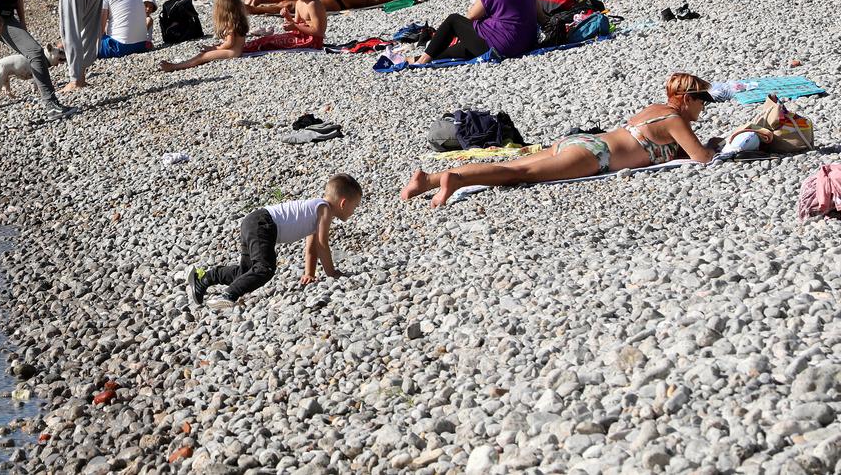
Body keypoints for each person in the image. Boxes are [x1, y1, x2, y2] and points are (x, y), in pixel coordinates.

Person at [402, 73, 718, 208]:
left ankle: (427, 179)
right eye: (703, 100)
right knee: (517, 175)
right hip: (595, 155)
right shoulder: (675, 119)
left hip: (584, 141)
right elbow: (701, 158)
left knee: (508, 164)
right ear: (688, 98)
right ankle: (454, 180)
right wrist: (719, 144)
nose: (704, 106)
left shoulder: (657, 110)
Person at [184, 174, 363, 308]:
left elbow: (312, 246)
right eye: (354, 207)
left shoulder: (316, 209)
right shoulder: (324, 210)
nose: (353, 212)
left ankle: (204, 279)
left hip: (254, 220)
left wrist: (310, 273)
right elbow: (322, 244)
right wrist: (331, 272)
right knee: (264, 269)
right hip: (263, 224)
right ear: (343, 203)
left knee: (246, 271)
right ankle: (229, 295)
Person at [160, 0, 249, 71]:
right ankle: (176, 65)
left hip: (232, 53)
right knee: (204, 54)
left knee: (202, 57)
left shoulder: (229, 24)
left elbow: (230, 43)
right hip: (236, 51)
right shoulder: (237, 20)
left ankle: (174, 67)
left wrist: (215, 48)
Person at [243, 0, 327, 51]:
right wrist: (287, 17)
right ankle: (244, 47)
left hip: (313, 41)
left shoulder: (312, 4)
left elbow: (319, 32)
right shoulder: (298, 3)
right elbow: (296, 25)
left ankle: (245, 49)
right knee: (268, 39)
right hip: (303, 36)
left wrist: (295, 26)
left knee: (270, 43)